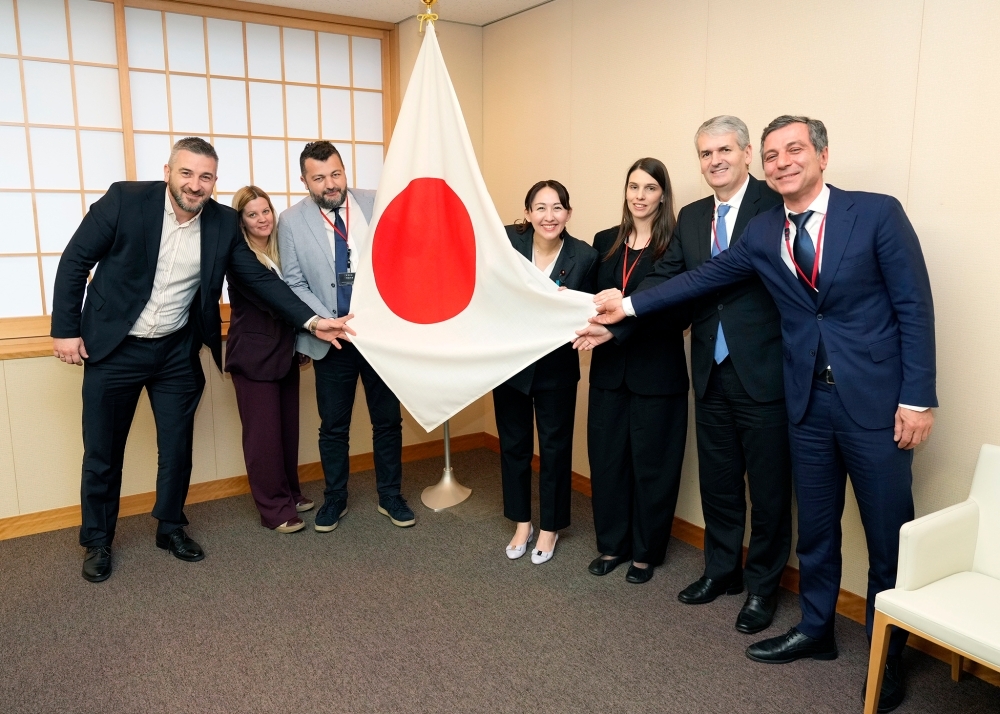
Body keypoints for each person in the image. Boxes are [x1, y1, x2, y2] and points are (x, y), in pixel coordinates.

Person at [585, 116, 935, 712]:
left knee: (886, 535)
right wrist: (629, 306)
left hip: (876, 404)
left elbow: (914, 305)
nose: (781, 162)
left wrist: (917, 398)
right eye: (773, 155)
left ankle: (889, 651)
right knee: (818, 529)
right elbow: (702, 279)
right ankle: (817, 629)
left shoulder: (876, 213)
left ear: (822, 155)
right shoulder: (765, 229)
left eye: (792, 150)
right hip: (804, 401)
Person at [51, 137, 352, 583]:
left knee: (176, 448)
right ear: (169, 170)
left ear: (215, 181)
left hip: (175, 349)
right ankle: (97, 539)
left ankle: (170, 527)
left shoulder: (223, 222)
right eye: (187, 173)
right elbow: (75, 260)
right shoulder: (124, 200)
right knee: (102, 450)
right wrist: (66, 330)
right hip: (115, 347)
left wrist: (310, 321)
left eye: (205, 176)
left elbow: (256, 278)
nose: (195, 185)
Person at [630, 116, 792, 633]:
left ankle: (763, 588)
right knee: (719, 483)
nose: (714, 160)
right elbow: (669, 277)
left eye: (724, 150)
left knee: (767, 491)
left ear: (747, 154)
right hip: (708, 368)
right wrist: (619, 310)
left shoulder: (777, 204)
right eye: (704, 153)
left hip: (764, 372)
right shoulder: (695, 216)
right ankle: (722, 571)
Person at [278, 141, 413, 532]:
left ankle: (391, 495)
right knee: (333, 427)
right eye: (319, 177)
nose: (330, 183)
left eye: (336, 173)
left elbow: (403, 257)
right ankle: (335, 498)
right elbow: (294, 282)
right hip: (331, 339)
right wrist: (323, 321)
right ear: (304, 180)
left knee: (387, 422)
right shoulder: (291, 220)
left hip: (378, 338)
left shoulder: (377, 202)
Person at [580, 158, 690, 584]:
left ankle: (646, 552)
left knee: (653, 467)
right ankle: (612, 545)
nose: (639, 196)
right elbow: (588, 302)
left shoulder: (675, 245)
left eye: (649, 188)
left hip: (658, 374)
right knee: (608, 463)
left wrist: (618, 327)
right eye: (633, 187)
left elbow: (675, 312)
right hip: (608, 373)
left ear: (663, 194)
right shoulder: (606, 241)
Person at [494, 180, 597, 564]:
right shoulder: (507, 242)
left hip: (556, 368)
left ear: (568, 214)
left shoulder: (585, 256)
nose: (548, 216)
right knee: (514, 446)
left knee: (555, 450)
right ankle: (522, 522)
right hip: (509, 364)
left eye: (557, 208)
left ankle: (551, 527)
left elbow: (590, 310)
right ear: (527, 213)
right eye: (540, 207)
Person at [225, 186, 315, 534]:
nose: (262, 219)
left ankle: (290, 494)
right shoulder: (240, 255)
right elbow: (276, 298)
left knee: (286, 432)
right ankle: (274, 510)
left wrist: (302, 344)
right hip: (253, 357)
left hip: (285, 353)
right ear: (241, 221)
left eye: (266, 211)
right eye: (253, 214)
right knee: (262, 438)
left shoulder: (279, 250)